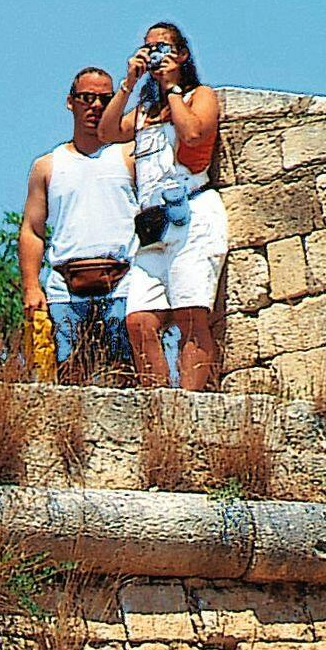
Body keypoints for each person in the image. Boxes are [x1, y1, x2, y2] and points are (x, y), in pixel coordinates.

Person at [98, 22, 227, 390]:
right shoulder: (144, 111)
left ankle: (190, 403)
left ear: (182, 55)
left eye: (163, 47)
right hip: (153, 224)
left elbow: (192, 133)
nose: (155, 54)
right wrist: (128, 83)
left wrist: (171, 86)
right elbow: (106, 133)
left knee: (190, 313)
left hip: (191, 213)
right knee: (139, 320)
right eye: (148, 47)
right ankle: (159, 403)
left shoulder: (198, 96)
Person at [19, 67, 138, 382]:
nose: (96, 106)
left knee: (124, 378)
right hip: (65, 292)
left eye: (104, 98)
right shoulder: (47, 166)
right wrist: (31, 286)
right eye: (87, 98)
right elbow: (32, 230)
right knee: (67, 381)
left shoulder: (130, 157)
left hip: (122, 286)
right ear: (71, 102)